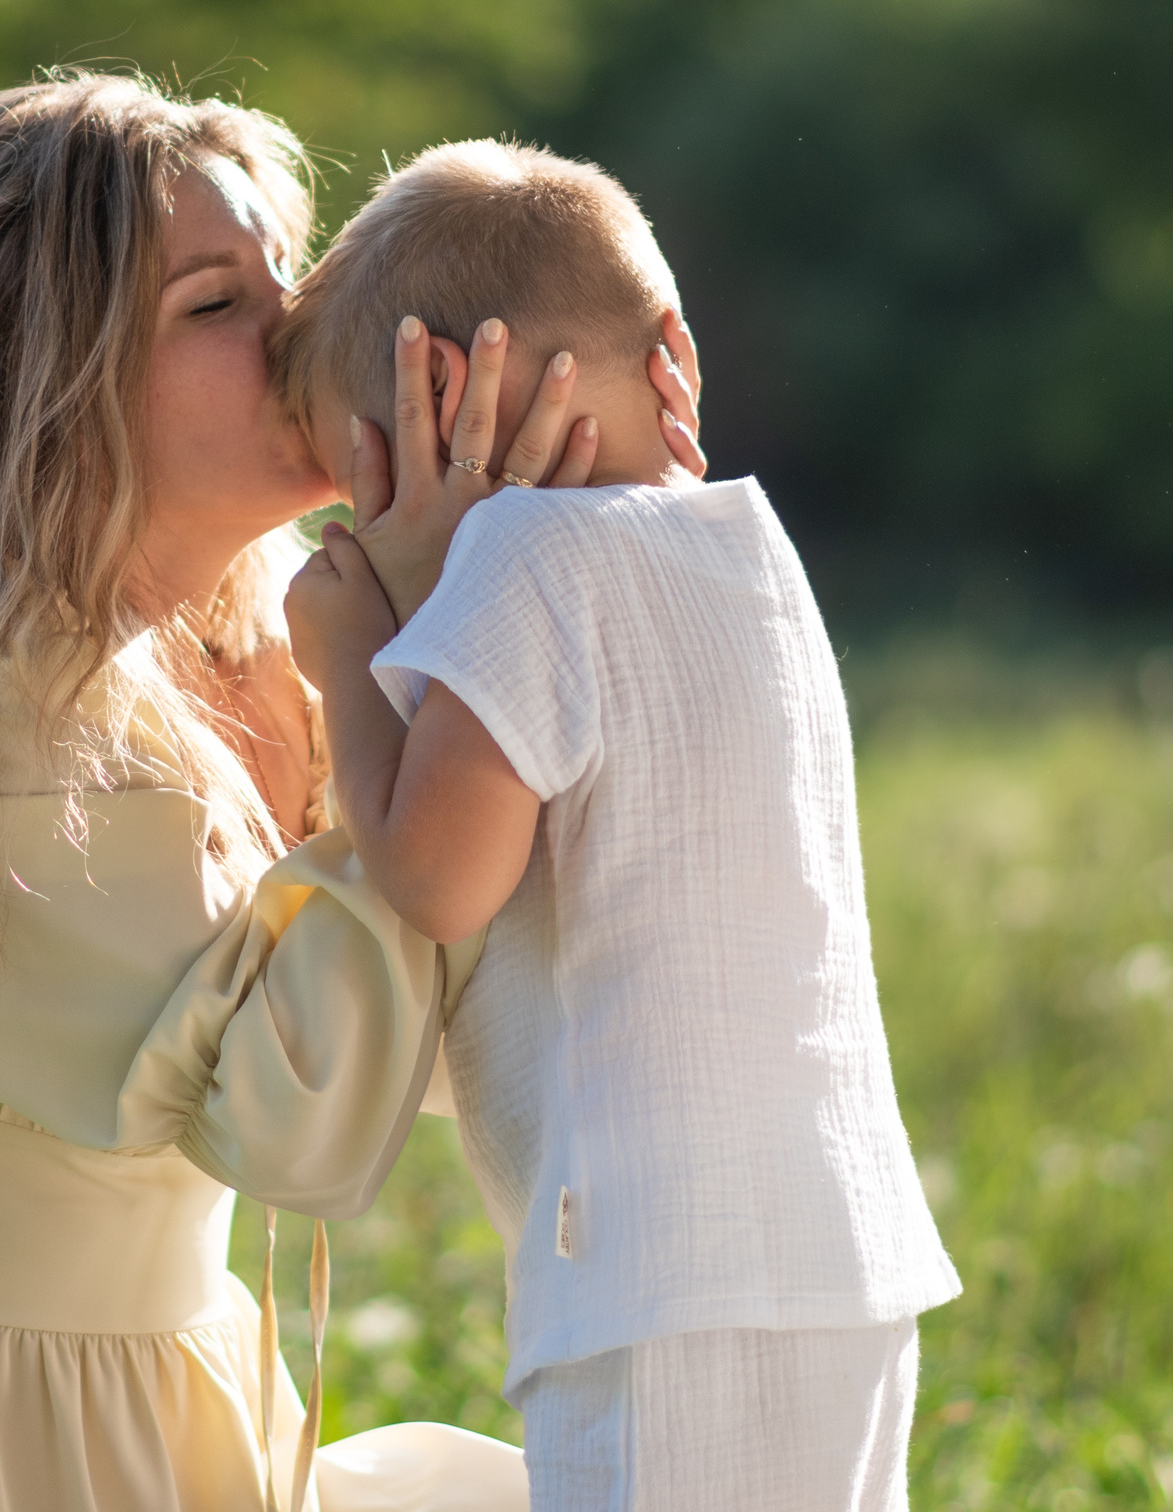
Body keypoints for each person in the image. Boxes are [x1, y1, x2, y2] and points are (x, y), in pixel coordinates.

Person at [0, 79, 701, 1512]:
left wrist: (599, 528)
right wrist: (435, 640)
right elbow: (304, 1125)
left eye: (285, 282)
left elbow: (474, 1026)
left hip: (133, 1407)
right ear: (36, 382)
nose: (303, 331)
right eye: (214, 305)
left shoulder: (257, 661)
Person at [274, 139, 962, 1512]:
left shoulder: (529, 560)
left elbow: (438, 877)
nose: (356, 520)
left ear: (443, 406)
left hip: (662, 1278)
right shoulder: (756, 554)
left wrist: (352, 654)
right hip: (844, 1254)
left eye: (360, 473)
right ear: (675, 359)